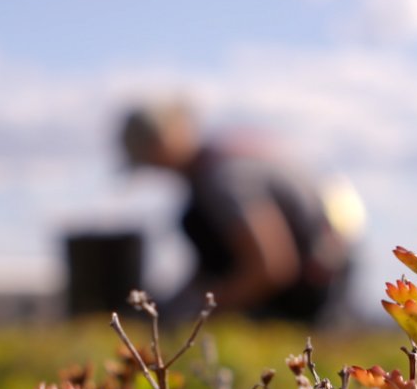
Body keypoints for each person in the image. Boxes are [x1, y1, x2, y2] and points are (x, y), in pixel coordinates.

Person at [119, 100, 361, 325]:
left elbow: (273, 268)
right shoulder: (217, 164)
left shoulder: (224, 179)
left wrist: (198, 319)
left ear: (164, 140)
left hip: (313, 292)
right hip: (325, 270)